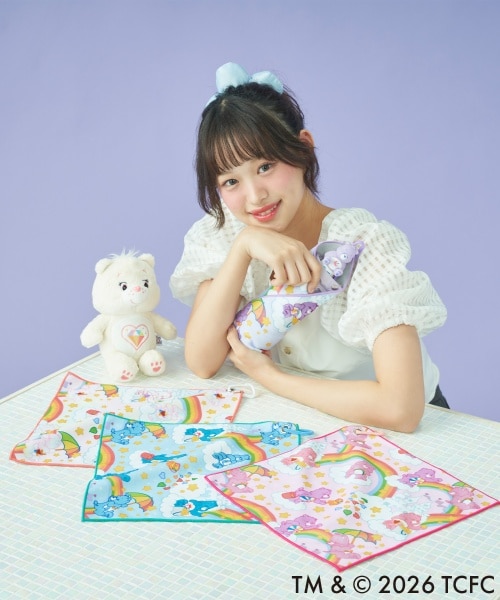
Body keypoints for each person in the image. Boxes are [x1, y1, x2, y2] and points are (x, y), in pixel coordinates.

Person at [170, 62, 448, 433]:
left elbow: (401, 410)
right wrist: (244, 246)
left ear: (303, 148)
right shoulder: (227, 235)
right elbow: (202, 361)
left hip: (418, 434)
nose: (254, 196)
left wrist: (271, 377)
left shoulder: (362, 244)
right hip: (320, 428)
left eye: (265, 166)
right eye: (231, 181)